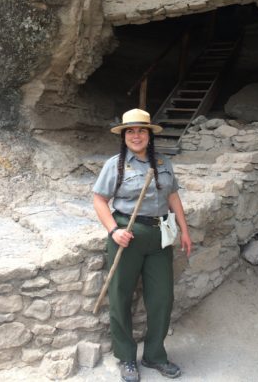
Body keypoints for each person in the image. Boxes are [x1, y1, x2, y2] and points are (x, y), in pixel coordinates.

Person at [93, 108, 192, 382]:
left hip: (160, 235)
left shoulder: (163, 163)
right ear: (124, 136)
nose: (136, 135)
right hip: (127, 235)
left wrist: (184, 230)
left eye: (141, 130)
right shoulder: (115, 165)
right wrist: (114, 230)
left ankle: (154, 355)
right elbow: (99, 200)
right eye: (130, 131)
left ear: (149, 134)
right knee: (120, 296)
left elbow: (172, 197)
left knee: (162, 297)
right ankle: (126, 357)